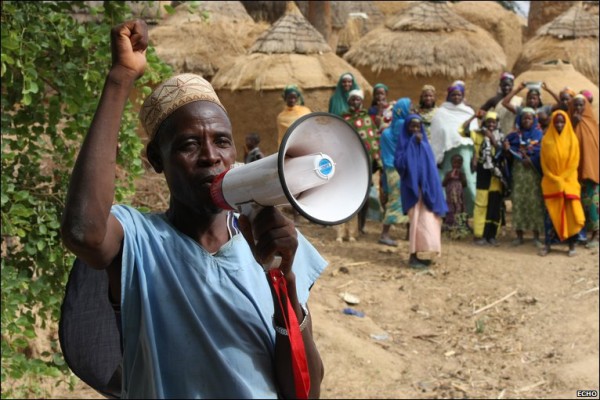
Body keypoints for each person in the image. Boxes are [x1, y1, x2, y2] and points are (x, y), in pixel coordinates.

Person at [60, 20, 326, 399]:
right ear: (156, 159)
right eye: (188, 144)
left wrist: (285, 283)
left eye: (221, 141)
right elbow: (83, 231)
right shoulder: (139, 241)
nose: (210, 157)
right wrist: (120, 79)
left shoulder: (275, 242)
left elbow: (305, 392)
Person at [394, 114, 448, 269]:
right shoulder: (404, 144)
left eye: (418, 126)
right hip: (413, 191)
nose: (415, 129)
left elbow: (430, 168)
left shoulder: (425, 145)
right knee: (416, 222)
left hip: (426, 191)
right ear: (407, 128)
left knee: (428, 221)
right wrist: (412, 144)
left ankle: (420, 253)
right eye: (412, 126)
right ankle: (412, 256)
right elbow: (400, 164)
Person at [539, 110, 585, 257]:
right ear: (552, 122)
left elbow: (574, 163)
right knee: (550, 215)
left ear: (566, 123)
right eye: (556, 121)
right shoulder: (546, 140)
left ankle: (571, 245)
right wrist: (553, 177)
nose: (559, 124)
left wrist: (562, 178)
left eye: (562, 121)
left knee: (570, 214)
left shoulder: (573, 140)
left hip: (568, 182)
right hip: (551, 183)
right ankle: (548, 245)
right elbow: (544, 164)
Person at [430, 83, 477, 217]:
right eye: (453, 95)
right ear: (448, 96)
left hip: (466, 152)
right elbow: (437, 135)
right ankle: (446, 215)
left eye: (459, 95)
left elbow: (475, 137)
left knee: (467, 181)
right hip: (446, 153)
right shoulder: (441, 113)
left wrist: (475, 157)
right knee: (446, 181)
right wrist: (437, 155)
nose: (456, 97)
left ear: (463, 96)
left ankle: (468, 213)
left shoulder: (469, 112)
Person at [462, 111, 507, 245]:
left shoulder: (502, 137)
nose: (491, 125)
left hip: (497, 173)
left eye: (494, 122)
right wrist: (474, 116)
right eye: (488, 122)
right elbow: (462, 130)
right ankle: (480, 235)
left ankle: (491, 235)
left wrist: (492, 139)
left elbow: (502, 152)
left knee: (494, 204)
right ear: (484, 123)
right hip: (483, 171)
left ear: (497, 123)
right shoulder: (477, 134)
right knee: (481, 203)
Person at [503, 107, 545, 247]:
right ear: (519, 120)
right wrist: (507, 149)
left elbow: (542, 152)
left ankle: (536, 237)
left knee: (535, 203)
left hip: (533, 174)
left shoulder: (539, 135)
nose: (526, 120)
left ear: (534, 120)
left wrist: (531, 160)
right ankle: (519, 236)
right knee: (519, 202)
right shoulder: (514, 136)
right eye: (524, 118)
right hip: (519, 173)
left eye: (529, 118)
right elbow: (507, 156)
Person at [378, 98, 411, 246]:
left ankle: (389, 233)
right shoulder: (405, 126)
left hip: (390, 170)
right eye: (408, 108)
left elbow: (384, 156)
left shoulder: (386, 132)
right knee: (403, 201)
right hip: (403, 170)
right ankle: (386, 234)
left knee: (394, 200)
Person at [276, 84, 312, 224]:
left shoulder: (305, 111)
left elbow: (309, 128)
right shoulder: (281, 116)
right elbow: (281, 136)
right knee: (295, 184)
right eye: (289, 97)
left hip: (306, 149)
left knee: (310, 181)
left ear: (298, 98)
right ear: (285, 98)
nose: (292, 100)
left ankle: (309, 213)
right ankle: (296, 216)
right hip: (290, 152)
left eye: (294, 97)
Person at [569, 94, 599, 247]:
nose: (578, 108)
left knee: (593, 203)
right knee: (581, 204)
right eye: (576, 105)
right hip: (575, 171)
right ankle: (582, 235)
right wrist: (573, 124)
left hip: (591, 170)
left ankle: (596, 235)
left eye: (581, 105)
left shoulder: (592, 124)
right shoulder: (568, 123)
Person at [478, 72, 523, 138]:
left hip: (513, 135)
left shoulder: (519, 100)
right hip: (496, 135)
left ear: (513, 85)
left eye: (508, 85)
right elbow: (480, 114)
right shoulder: (494, 100)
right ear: (500, 85)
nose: (506, 88)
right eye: (504, 85)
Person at [441, 154, 467, 231]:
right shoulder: (448, 173)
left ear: (462, 164)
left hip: (459, 198)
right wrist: (449, 177)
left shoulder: (462, 174)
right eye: (455, 163)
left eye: (459, 163)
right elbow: (443, 184)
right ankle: (449, 225)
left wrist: (462, 178)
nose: (457, 165)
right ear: (451, 163)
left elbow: (465, 185)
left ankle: (459, 225)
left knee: (459, 209)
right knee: (450, 210)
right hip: (450, 198)